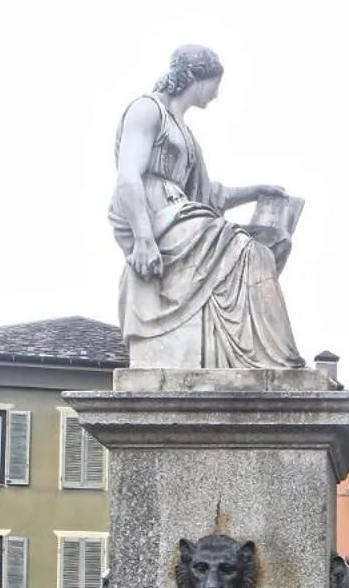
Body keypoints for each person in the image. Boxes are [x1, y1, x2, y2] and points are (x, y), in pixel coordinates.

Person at [109, 45, 305, 370]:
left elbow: (210, 196)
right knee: (246, 252)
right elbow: (128, 176)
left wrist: (255, 191)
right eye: (216, 84)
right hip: (156, 218)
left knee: (260, 251)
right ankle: (265, 358)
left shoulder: (185, 132)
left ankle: (254, 358)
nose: (216, 95)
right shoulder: (146, 109)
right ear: (199, 78)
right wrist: (144, 240)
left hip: (183, 215)